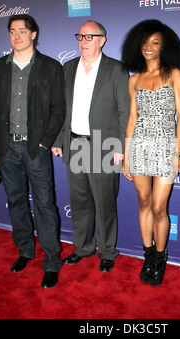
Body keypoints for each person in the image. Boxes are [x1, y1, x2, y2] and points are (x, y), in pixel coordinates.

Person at [0, 14, 65, 288]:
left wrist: (43, 142)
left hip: (34, 147)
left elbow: (58, 110)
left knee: (43, 204)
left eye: (22, 31)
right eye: (12, 31)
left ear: (34, 34)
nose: (17, 36)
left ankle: (52, 261)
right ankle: (25, 251)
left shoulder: (50, 67)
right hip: (5, 147)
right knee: (16, 201)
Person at [52, 20, 130, 272]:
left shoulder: (116, 69)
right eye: (80, 37)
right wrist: (58, 139)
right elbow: (62, 109)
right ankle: (83, 247)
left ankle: (107, 251)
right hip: (75, 143)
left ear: (102, 40)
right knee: (80, 201)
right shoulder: (68, 67)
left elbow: (124, 111)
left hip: (104, 145)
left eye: (89, 37)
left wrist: (120, 146)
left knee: (105, 202)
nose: (83, 42)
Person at [121, 20, 180, 286]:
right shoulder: (134, 79)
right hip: (139, 146)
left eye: (155, 42)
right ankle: (148, 256)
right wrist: (126, 154)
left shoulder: (174, 74)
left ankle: (160, 258)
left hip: (165, 145)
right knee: (144, 202)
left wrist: (178, 153)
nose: (149, 47)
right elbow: (132, 119)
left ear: (164, 47)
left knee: (160, 207)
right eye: (145, 42)